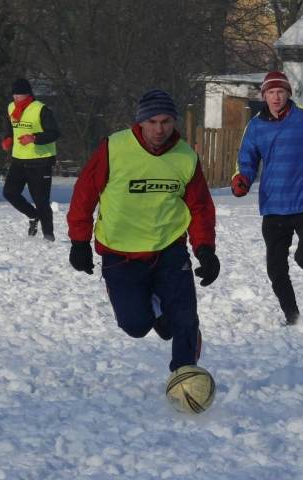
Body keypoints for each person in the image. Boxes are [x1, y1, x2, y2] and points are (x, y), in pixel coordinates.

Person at [67, 89, 220, 374]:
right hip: (120, 252)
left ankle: (185, 375)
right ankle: (159, 311)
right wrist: (79, 241)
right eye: (152, 122)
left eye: (165, 121)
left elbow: (200, 207)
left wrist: (205, 249)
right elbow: (84, 195)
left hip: (169, 248)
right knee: (135, 325)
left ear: (174, 121)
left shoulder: (185, 156)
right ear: (140, 122)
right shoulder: (113, 148)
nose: (159, 129)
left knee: (185, 319)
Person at [231, 72, 303, 325]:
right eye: (271, 93)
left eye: (280, 92)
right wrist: (242, 178)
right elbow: (247, 160)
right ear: (264, 96)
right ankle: (292, 316)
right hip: (273, 205)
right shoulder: (255, 126)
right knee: (275, 268)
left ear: (288, 94)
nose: (276, 97)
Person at [1, 78, 60, 241]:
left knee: (41, 200)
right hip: (19, 160)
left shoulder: (41, 109)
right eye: (14, 95)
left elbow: (54, 133)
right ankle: (33, 215)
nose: (16, 98)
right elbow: (10, 129)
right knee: (9, 193)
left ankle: (48, 235)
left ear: (28, 94)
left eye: (20, 95)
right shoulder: (11, 108)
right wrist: (7, 139)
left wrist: (34, 138)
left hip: (40, 161)